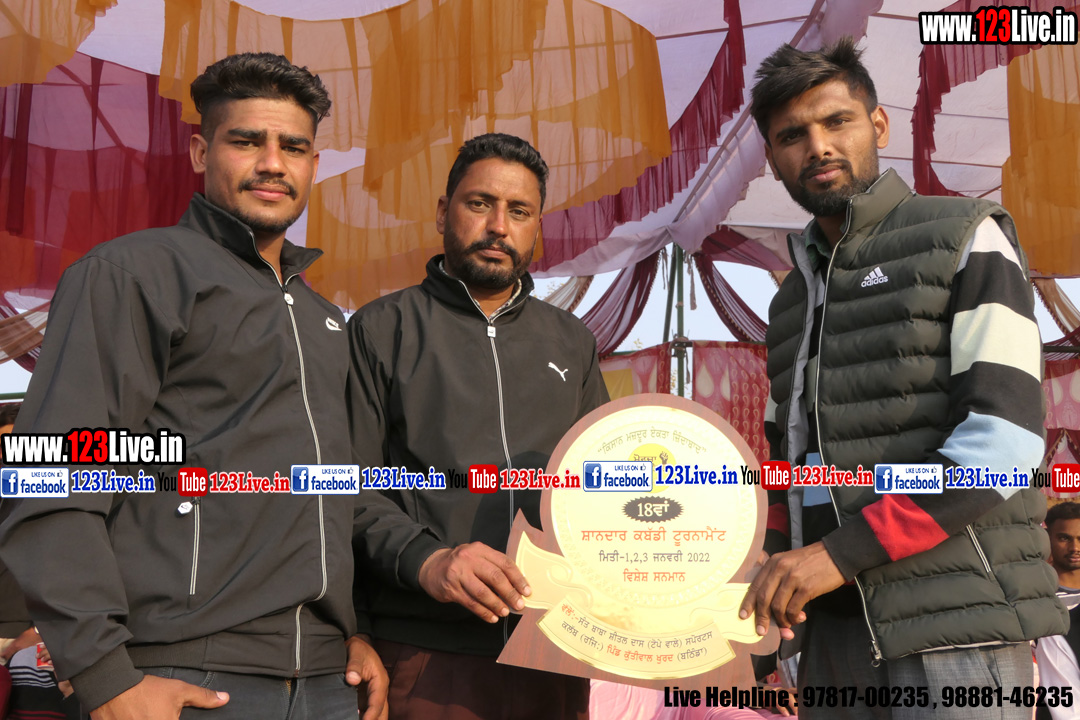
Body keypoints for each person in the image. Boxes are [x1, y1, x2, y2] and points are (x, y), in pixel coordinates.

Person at [0, 53, 390, 720]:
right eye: (248, 141)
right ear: (201, 151)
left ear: (313, 164)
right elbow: (50, 471)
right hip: (179, 670)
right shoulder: (134, 274)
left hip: (327, 680)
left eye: (294, 147)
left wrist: (350, 632)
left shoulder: (322, 318)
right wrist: (103, 675)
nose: (273, 163)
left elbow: (334, 497)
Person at [737, 38, 1066, 719]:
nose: (818, 146)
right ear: (771, 158)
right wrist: (753, 585)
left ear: (879, 125)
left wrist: (840, 553)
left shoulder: (964, 235)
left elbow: (1002, 447)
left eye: (837, 121)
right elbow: (788, 472)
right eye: (792, 135)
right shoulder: (791, 301)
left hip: (956, 623)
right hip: (830, 628)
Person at [348, 133, 609, 720]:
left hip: (554, 648)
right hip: (425, 651)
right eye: (479, 204)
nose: (498, 226)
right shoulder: (381, 329)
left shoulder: (571, 341)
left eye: (519, 211)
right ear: (444, 212)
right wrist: (428, 560)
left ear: (536, 226)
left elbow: (599, 484)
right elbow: (345, 487)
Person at [1034, 502, 1080, 720]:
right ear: (1047, 539)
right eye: (1064, 538)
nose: (1075, 547)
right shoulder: (1034, 599)